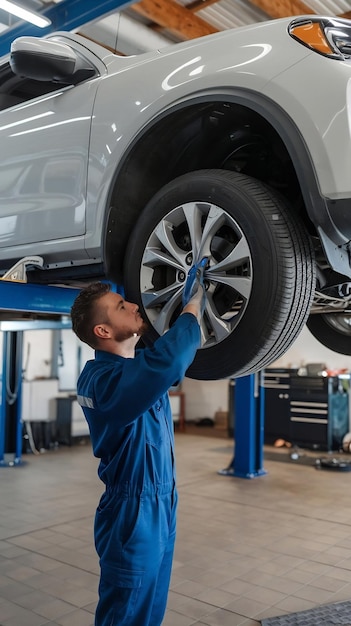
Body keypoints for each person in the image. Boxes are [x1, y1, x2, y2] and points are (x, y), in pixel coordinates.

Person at [70, 263, 207, 626]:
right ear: (103, 330)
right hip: (132, 514)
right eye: (120, 307)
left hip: (161, 503)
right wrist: (193, 306)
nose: (133, 305)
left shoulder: (135, 368)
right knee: (126, 612)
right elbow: (171, 360)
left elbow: (170, 357)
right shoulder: (100, 381)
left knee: (149, 607)